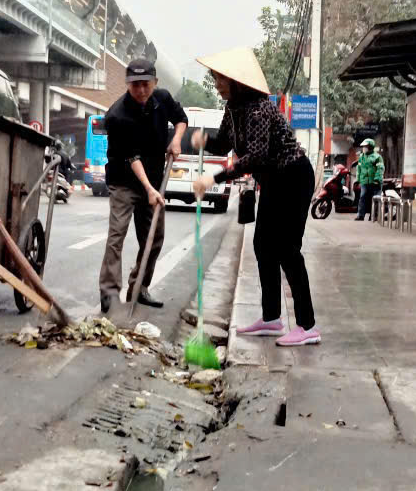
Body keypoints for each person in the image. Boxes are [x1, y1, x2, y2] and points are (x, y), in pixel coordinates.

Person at [191, 48, 320, 347]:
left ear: (235, 81)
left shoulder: (260, 108)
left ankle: (307, 325)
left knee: (288, 249)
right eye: (214, 79)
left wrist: (214, 178)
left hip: (293, 177)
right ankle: (272, 318)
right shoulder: (232, 109)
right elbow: (224, 142)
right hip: (273, 182)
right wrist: (204, 140)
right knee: (263, 246)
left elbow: (256, 157)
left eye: (219, 79)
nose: (216, 85)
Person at [98, 59, 188, 313]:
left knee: (154, 237)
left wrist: (177, 140)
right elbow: (131, 157)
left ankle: (139, 287)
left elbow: (181, 119)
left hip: (154, 179)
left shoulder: (162, 99)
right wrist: (149, 189)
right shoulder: (117, 116)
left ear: (155, 83)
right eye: (135, 85)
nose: (141, 90)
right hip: (124, 181)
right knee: (117, 235)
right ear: (127, 84)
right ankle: (108, 291)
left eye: (145, 84)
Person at [355, 138, 384, 221]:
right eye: (363, 147)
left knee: (375, 199)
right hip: (365, 181)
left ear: (371, 147)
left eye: (366, 146)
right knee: (362, 197)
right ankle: (360, 215)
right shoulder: (361, 157)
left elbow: (380, 168)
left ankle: (374, 216)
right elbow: (359, 169)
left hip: (375, 182)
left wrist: (377, 179)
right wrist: (358, 179)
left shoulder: (377, 157)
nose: (364, 148)